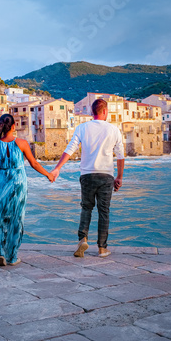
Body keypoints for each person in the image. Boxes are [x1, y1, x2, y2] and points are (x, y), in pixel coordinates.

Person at [0, 113, 54, 266]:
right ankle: (11, 256)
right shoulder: (22, 143)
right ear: (13, 126)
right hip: (18, 183)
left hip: (1, 183)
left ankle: (0, 252)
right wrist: (48, 175)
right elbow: (34, 164)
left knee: (1, 218)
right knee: (16, 219)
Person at [51, 98, 125, 258]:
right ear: (105, 111)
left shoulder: (82, 128)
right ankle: (102, 248)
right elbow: (120, 155)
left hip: (87, 174)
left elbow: (70, 149)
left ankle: (82, 239)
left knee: (86, 208)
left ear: (92, 112)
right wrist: (119, 177)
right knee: (104, 211)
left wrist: (58, 168)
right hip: (106, 175)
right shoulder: (114, 129)